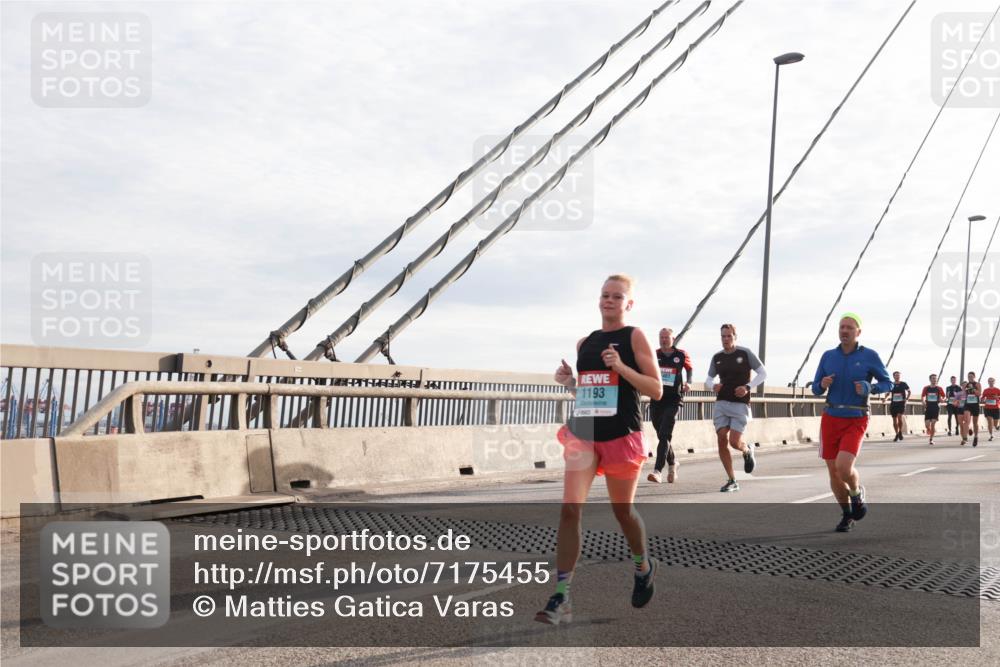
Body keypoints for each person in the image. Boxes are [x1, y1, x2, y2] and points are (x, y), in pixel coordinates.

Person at [536, 274, 662, 625]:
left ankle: (642, 565)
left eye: (617, 297)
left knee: (623, 512)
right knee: (569, 510)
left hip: (621, 435)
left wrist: (621, 367)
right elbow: (594, 394)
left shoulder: (634, 336)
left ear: (628, 304)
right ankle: (561, 596)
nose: (609, 301)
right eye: (605, 295)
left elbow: (656, 390)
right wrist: (570, 385)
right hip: (585, 433)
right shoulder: (585, 343)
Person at [811, 313, 892, 532]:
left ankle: (856, 493)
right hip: (831, 417)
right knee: (834, 473)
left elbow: (888, 383)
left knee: (843, 466)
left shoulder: (869, 356)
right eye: (841, 327)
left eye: (849, 327)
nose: (844, 331)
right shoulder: (828, 356)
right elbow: (815, 388)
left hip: (856, 417)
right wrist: (822, 384)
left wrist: (871, 388)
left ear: (858, 332)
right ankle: (847, 515)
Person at [705, 323, 767, 492]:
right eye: (723, 336)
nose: (726, 339)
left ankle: (747, 450)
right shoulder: (717, 357)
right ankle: (732, 479)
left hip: (740, 404)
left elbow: (763, 373)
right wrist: (713, 386)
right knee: (721, 438)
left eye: (729, 336)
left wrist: (747, 387)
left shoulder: (745, 353)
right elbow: (708, 380)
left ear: (735, 337)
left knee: (734, 442)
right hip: (722, 403)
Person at [647, 327, 692, 484]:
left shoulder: (681, 354)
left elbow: (689, 369)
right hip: (656, 399)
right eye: (661, 337)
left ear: (673, 339)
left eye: (666, 337)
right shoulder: (654, 354)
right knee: (661, 434)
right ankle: (673, 463)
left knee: (665, 434)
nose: (663, 339)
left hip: (674, 399)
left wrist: (689, 382)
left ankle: (657, 470)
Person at [921, 374, 945, 446]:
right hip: (928, 407)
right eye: (933, 378)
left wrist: (942, 399)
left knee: (933, 424)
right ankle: (928, 429)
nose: (934, 380)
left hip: (936, 407)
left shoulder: (939, 388)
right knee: (927, 425)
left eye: (935, 378)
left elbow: (944, 396)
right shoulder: (926, 388)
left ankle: (931, 439)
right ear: (930, 379)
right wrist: (923, 401)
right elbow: (923, 396)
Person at [886, 372, 910, 441]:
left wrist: (907, 399)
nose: (897, 377)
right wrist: (885, 399)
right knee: (894, 420)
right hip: (893, 404)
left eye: (898, 376)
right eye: (896, 376)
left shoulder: (903, 384)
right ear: (893, 376)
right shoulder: (892, 384)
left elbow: (909, 391)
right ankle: (897, 433)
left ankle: (900, 432)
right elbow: (888, 393)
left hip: (901, 403)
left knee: (899, 417)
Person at [962, 371, 983, 447]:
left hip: (975, 405)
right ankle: (965, 438)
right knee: (966, 420)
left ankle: (976, 437)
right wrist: (964, 389)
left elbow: (979, 394)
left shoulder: (977, 384)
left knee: (975, 423)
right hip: (967, 404)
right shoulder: (965, 384)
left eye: (971, 376)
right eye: (968, 376)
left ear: (974, 377)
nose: (970, 378)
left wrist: (972, 389)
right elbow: (963, 394)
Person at [983, 377, 1000, 442]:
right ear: (988, 382)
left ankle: (996, 426)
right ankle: (991, 435)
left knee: (995, 424)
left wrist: (997, 397)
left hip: (996, 408)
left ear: (994, 382)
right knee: (989, 422)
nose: (990, 382)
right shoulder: (985, 390)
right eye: (989, 381)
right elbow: (982, 398)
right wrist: (983, 399)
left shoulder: (997, 390)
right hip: (988, 408)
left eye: (992, 381)